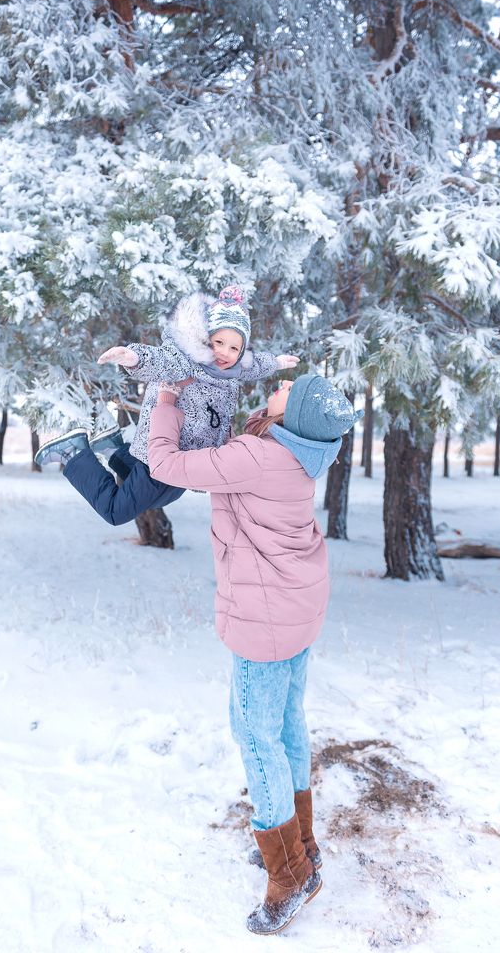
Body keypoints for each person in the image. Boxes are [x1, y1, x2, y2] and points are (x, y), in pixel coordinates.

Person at [147, 372, 363, 935]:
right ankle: (301, 844)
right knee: (287, 723)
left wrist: (166, 401)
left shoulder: (257, 458)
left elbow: (166, 465)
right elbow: (250, 444)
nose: (283, 381)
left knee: (255, 734)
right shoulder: (302, 453)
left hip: (264, 619)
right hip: (296, 608)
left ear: (294, 417)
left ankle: (288, 876)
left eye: (292, 389)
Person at [33, 286, 299, 526]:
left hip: (187, 464)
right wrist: (133, 357)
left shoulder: (233, 371)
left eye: (233, 348)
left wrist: (276, 363)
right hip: (163, 452)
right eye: (218, 342)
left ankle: (112, 448)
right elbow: (159, 360)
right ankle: (73, 453)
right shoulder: (187, 362)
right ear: (207, 339)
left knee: (158, 499)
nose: (224, 353)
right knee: (116, 511)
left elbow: (256, 365)